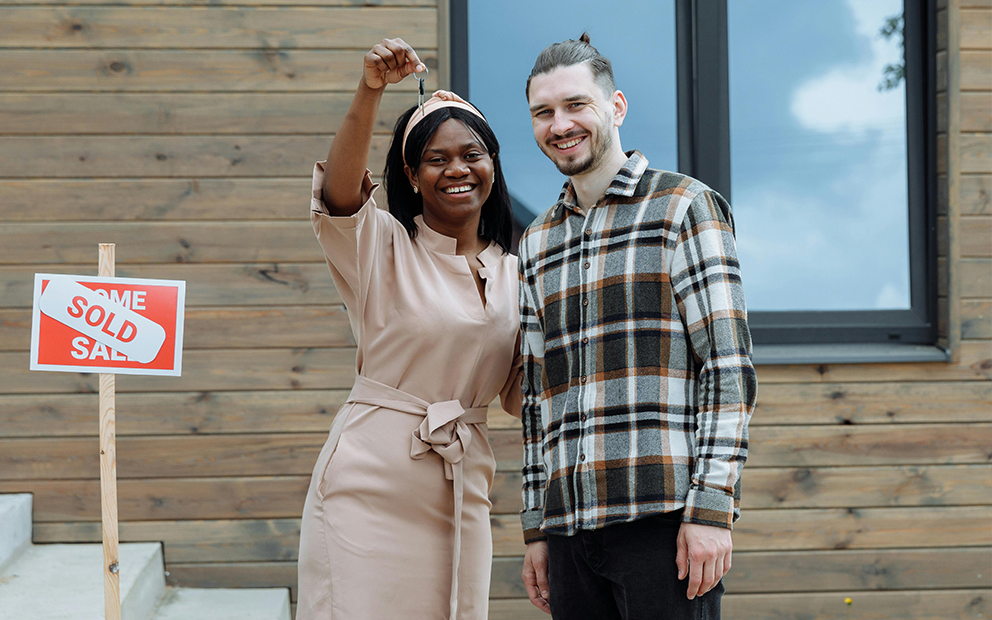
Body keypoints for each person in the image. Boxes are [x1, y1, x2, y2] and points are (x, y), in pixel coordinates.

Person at [516, 34, 757, 620]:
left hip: (665, 522)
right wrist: (536, 528)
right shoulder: (537, 241)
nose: (560, 124)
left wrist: (711, 510)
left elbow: (727, 370)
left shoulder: (683, 207)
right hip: (571, 531)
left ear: (616, 107)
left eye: (576, 105)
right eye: (543, 113)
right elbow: (536, 399)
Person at [297, 38, 521, 620]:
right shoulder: (384, 246)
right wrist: (370, 91)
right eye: (436, 159)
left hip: (462, 481)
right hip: (368, 484)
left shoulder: (519, 269)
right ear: (412, 174)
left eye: (472, 154)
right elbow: (341, 195)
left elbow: (524, 393)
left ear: (493, 164)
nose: (457, 169)